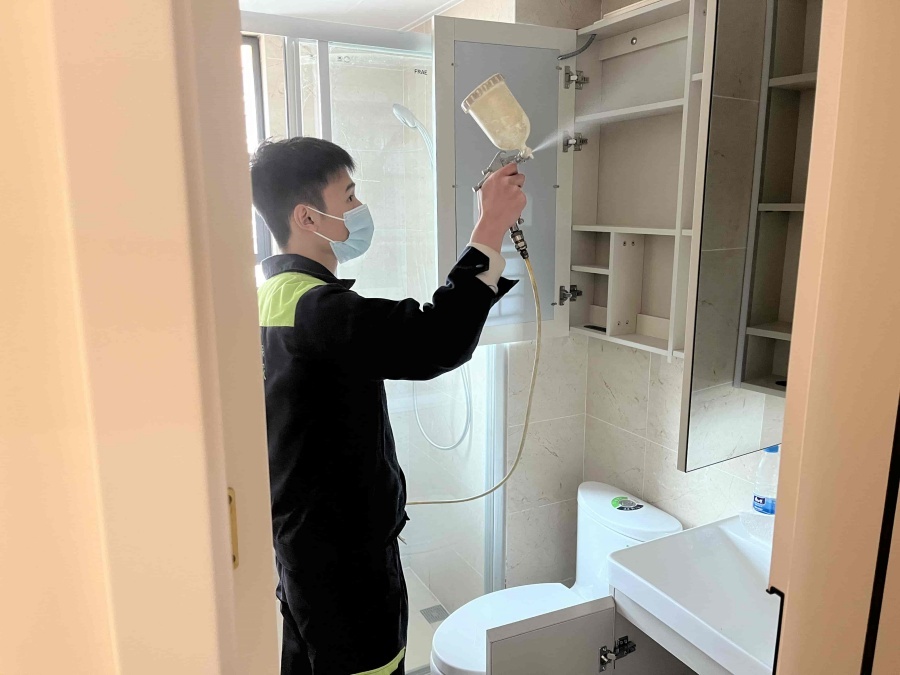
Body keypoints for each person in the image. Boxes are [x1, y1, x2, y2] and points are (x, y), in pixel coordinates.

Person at [250, 136, 526, 675]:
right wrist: (490, 227)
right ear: (308, 217)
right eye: (349, 197)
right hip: (345, 564)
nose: (360, 208)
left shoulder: (268, 299)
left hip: (302, 548)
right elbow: (436, 340)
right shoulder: (316, 309)